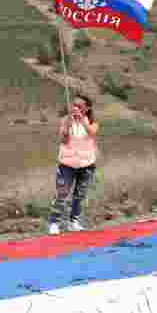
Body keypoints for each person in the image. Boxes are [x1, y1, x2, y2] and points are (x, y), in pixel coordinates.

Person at [48, 93, 100, 235]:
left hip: (87, 164)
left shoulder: (92, 122)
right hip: (67, 164)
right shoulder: (66, 120)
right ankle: (54, 223)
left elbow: (92, 133)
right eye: (74, 105)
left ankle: (73, 221)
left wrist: (83, 121)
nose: (75, 108)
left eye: (79, 106)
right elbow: (63, 140)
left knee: (80, 195)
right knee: (62, 193)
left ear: (87, 108)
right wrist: (66, 126)